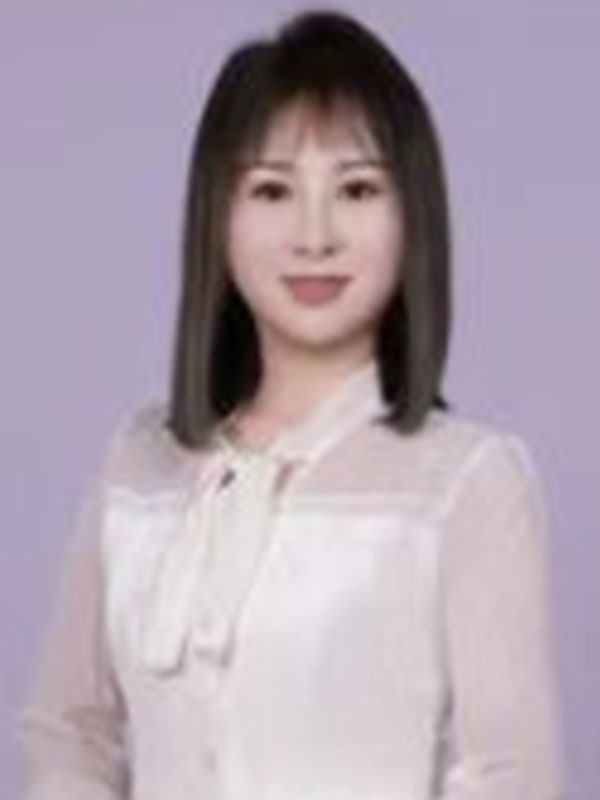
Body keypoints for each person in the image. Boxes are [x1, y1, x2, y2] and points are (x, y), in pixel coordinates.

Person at [17, 9, 565, 800]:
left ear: (412, 216)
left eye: (357, 189)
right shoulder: (139, 466)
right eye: (272, 189)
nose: (314, 236)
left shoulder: (465, 481)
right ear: (218, 216)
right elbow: (69, 728)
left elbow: (511, 777)